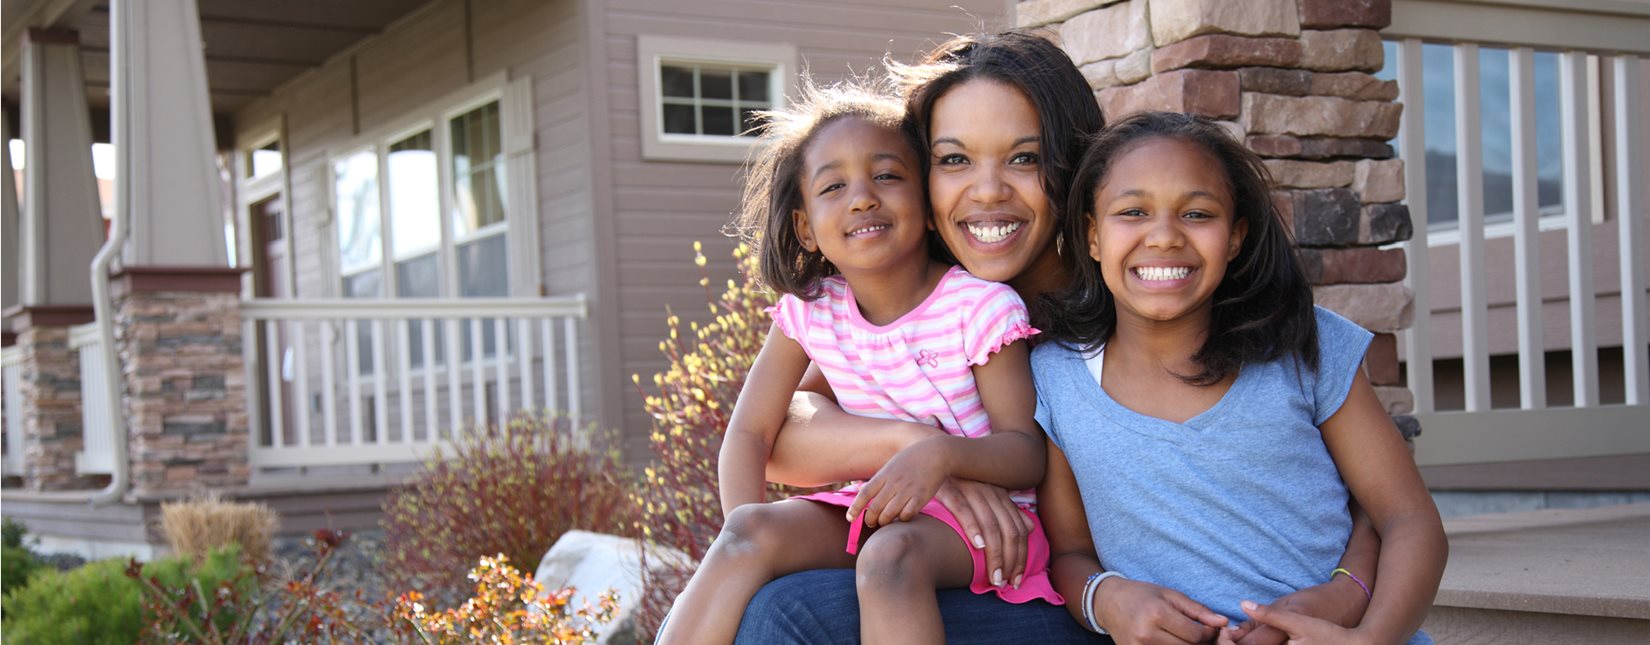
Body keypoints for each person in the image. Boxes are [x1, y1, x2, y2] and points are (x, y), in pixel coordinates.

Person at [736, 30, 1385, 645]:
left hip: (1098, 597)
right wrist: (927, 448)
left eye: (1024, 158)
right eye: (953, 159)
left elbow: (1346, 488)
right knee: (780, 600)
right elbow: (786, 437)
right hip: (1016, 575)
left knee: (792, 612)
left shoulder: (1146, 292)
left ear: (1074, 163)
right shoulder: (928, 297)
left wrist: (1347, 592)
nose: (988, 193)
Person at [655, 78, 1059, 645]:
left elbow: (1026, 454)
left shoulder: (980, 308)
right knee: (750, 531)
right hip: (871, 504)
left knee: (890, 558)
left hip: (988, 524)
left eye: (888, 176)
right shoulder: (812, 310)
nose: (863, 196)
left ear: (926, 205)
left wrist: (940, 456)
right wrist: (738, 550)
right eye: (834, 186)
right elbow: (749, 432)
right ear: (805, 228)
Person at [1033, 111, 1447, 645]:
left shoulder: (1304, 345)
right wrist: (1107, 598)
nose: (1163, 237)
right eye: (1132, 211)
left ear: (1234, 237)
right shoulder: (1058, 377)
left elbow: (1409, 519)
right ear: (1092, 235)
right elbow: (1069, 551)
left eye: (1197, 213)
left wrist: (1370, 636)